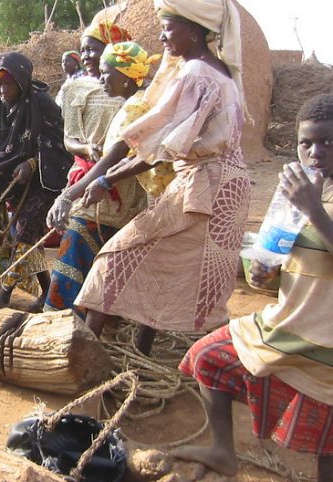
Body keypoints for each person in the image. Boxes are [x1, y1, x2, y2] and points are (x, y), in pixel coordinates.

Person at [74, 0, 251, 355]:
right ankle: (205, 364)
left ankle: (84, 365)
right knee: (198, 278)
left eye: (168, 28)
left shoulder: (195, 74)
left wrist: (104, 181)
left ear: (195, 29)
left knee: (114, 259)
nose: (161, 36)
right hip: (228, 189)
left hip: (203, 187)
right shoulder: (221, 71)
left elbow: (158, 147)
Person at [175, 93, 333, 482]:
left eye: (328, 142)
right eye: (306, 142)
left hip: (325, 338)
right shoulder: (303, 189)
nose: (316, 152)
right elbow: (278, 260)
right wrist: (264, 271)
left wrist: (313, 209)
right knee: (208, 357)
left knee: (327, 446)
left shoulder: (310, 197)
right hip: (287, 322)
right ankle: (222, 451)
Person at [44, 42, 158, 314]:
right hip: (109, 199)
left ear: (128, 77)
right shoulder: (132, 103)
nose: (101, 77)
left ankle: (61, 324)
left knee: (77, 255)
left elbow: (111, 160)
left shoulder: (136, 110)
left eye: (107, 72)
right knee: (100, 271)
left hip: (114, 203)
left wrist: (67, 196)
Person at [0, 52, 73, 311]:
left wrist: (32, 164)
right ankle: (46, 293)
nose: (1, 90)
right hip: (14, 184)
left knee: (22, 237)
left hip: (43, 183)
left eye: (8, 84)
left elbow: (59, 145)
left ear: (21, 81)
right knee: (29, 239)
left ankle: (4, 293)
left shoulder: (41, 104)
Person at [61, 20, 132, 189]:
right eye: (82, 51)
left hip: (124, 175)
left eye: (91, 50)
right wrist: (86, 148)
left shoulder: (128, 86)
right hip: (87, 176)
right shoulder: (74, 89)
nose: (85, 56)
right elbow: (69, 139)